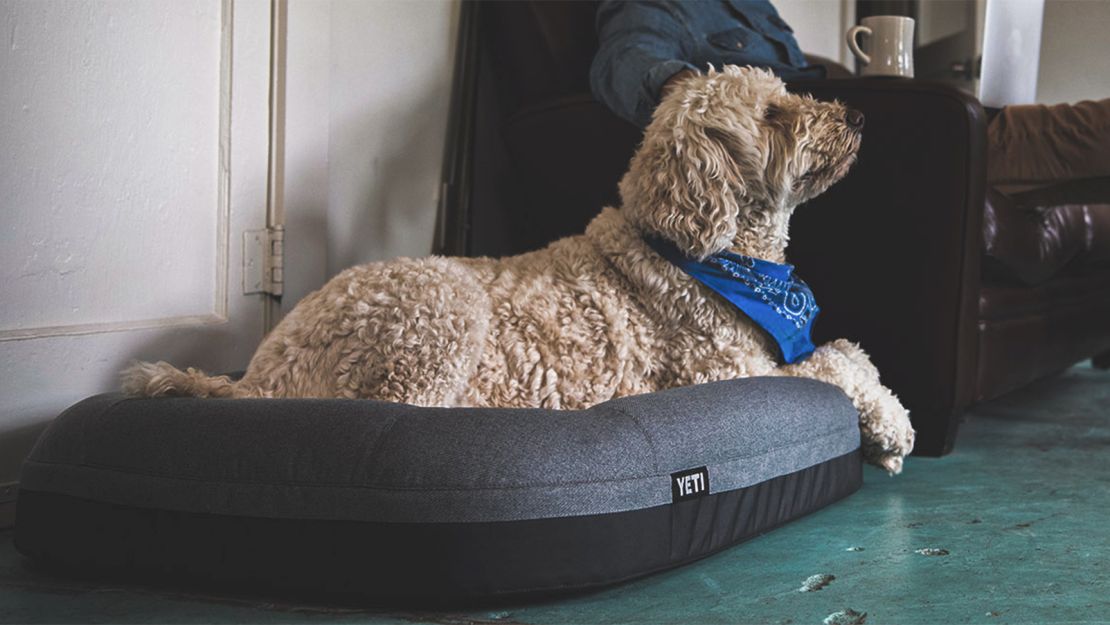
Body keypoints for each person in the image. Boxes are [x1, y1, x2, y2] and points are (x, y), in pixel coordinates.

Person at [589, 0, 1110, 191]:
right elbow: (623, 60)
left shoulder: (758, 10)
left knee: (983, 118)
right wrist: (701, 99)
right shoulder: (655, 5)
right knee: (1009, 130)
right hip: (805, 139)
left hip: (844, 113)